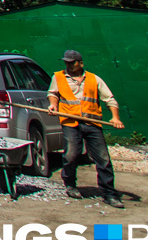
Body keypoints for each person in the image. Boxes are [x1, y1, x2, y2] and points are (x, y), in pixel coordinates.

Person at [48, 49, 126, 208]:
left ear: (80, 63)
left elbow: (110, 99)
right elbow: (53, 94)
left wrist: (115, 117)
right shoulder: (58, 78)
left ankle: (109, 193)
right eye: (66, 62)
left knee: (103, 159)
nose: (68, 65)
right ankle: (70, 184)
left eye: (72, 62)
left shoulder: (94, 79)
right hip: (70, 122)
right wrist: (53, 105)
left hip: (92, 123)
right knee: (71, 154)